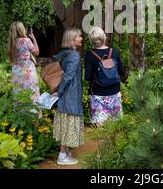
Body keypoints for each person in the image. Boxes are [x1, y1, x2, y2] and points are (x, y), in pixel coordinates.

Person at [52, 27, 84, 166]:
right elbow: (68, 76)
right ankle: (62, 156)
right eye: (79, 37)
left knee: (65, 122)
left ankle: (65, 152)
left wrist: (59, 91)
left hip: (65, 94)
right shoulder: (75, 56)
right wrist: (59, 91)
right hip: (70, 94)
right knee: (69, 123)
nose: (81, 38)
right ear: (72, 40)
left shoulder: (64, 54)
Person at [84, 26, 126, 127]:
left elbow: (88, 77)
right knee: (115, 122)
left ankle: (101, 142)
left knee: (99, 123)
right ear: (104, 37)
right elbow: (122, 71)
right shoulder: (114, 52)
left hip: (98, 93)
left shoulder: (89, 55)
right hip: (114, 92)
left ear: (91, 40)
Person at [7, 21, 40, 104]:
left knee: (18, 92)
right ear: (21, 30)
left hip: (16, 70)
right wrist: (33, 38)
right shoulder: (26, 41)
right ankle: (33, 115)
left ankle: (19, 114)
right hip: (27, 69)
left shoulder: (11, 43)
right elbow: (36, 52)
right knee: (31, 92)